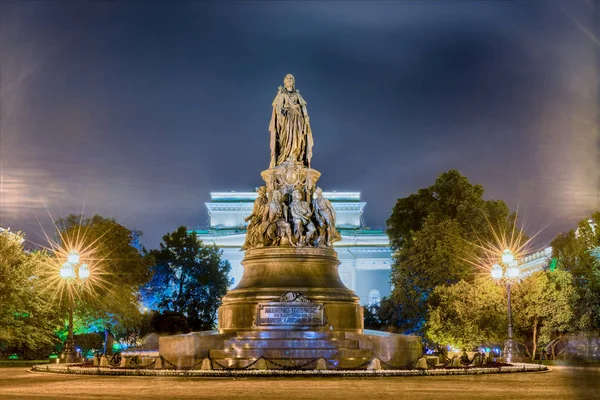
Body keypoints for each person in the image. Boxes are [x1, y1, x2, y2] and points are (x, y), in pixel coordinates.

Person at [269, 74, 314, 168]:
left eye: (291, 79)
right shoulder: (282, 95)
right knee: (285, 139)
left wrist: (306, 118)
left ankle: (295, 157)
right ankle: (286, 156)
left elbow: (303, 107)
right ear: (284, 83)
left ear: (293, 82)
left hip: (298, 121)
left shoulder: (297, 95)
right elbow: (278, 108)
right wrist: (283, 112)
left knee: (299, 139)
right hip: (286, 121)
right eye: (287, 79)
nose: (289, 80)